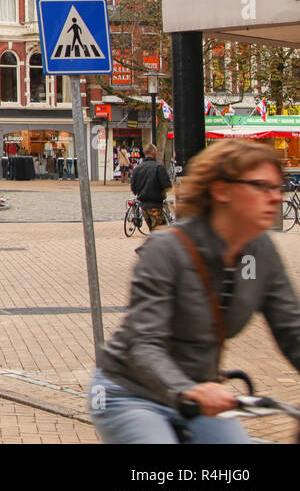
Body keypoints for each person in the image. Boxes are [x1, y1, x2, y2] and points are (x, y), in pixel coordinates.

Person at [91, 139, 300, 444]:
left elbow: (292, 328)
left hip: (201, 394)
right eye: (261, 186)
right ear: (222, 190)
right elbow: (144, 343)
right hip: (132, 391)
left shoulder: (259, 251)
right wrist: (188, 390)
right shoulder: (167, 250)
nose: (276, 197)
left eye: (278, 187)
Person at [130, 142, 173, 230]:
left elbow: (133, 188)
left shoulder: (137, 169)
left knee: (154, 231)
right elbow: (166, 185)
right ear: (153, 152)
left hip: (143, 205)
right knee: (161, 232)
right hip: (155, 204)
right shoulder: (158, 167)